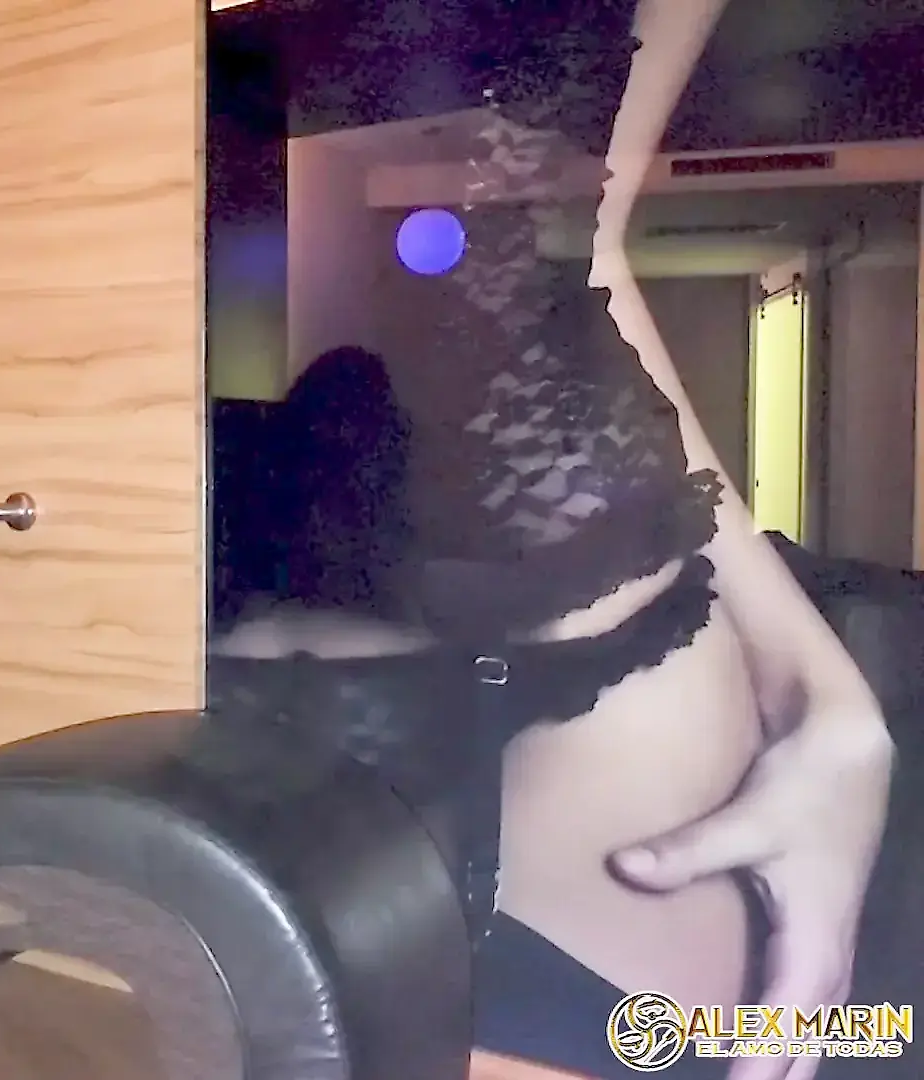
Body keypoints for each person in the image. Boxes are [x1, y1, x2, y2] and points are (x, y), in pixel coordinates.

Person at [217, 3, 891, 1077]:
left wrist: (826, 694)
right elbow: (542, 251)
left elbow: (541, 248)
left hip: (591, 706)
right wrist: (826, 692)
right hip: (167, 642)